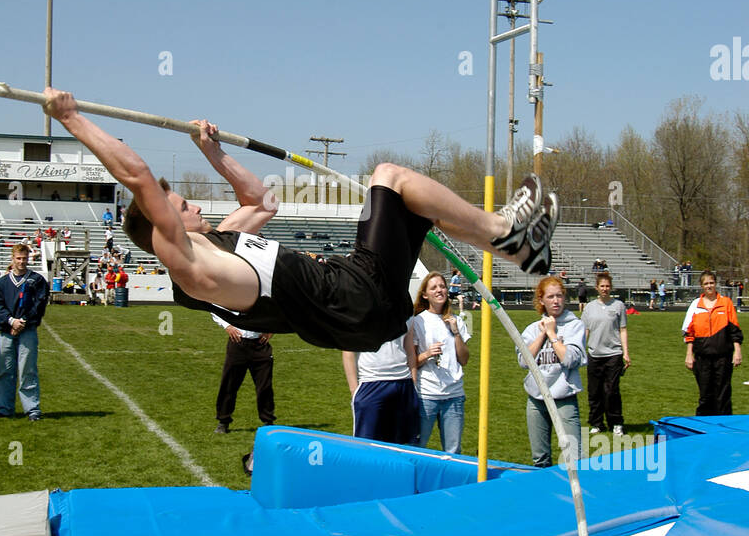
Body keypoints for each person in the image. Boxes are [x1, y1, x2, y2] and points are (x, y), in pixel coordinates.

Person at [43, 89, 559, 354]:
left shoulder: (220, 242)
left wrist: (212, 151)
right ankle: (503, 232)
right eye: (181, 207)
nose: (195, 207)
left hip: (359, 296)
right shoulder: (190, 267)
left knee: (409, 200)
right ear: (162, 231)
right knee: (390, 176)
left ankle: (517, 248)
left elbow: (262, 199)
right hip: (355, 299)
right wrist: (72, 118)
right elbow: (136, 175)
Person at [519, 275, 586, 467]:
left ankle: (575, 495)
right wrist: (542, 334)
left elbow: (570, 359)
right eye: (550, 297)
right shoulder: (532, 329)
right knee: (540, 458)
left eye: (559, 296)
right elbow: (524, 361)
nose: (555, 301)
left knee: (574, 457)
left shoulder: (575, 326)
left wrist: (552, 334)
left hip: (564, 398)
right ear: (541, 300)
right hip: (536, 399)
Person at [410, 272, 470, 453]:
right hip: (427, 395)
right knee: (418, 447)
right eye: (434, 287)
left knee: (453, 450)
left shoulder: (456, 320)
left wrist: (456, 332)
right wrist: (428, 353)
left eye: (442, 286)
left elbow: (464, 359)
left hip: (454, 395)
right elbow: (412, 362)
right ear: (425, 294)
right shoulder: (417, 321)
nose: (440, 290)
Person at [0, 244, 50, 421]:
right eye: (18, 258)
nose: (21, 262)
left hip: (27, 330)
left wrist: (22, 322)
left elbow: (39, 305)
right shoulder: (1, 283)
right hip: (7, 331)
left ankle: (32, 408)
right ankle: (4, 408)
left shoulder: (37, 280)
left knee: (28, 370)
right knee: (4, 370)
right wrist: (11, 321)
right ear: (12, 258)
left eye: (24, 258)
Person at [342, 327, 418, 445]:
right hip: (371, 382)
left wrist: (413, 382)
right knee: (365, 444)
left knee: (398, 444)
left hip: (403, 382)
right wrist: (354, 390)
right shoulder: (359, 311)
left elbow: (410, 350)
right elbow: (348, 351)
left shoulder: (406, 311)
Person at [683, 271, 743, 416]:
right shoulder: (695, 305)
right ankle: (704, 428)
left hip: (723, 356)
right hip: (702, 357)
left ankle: (723, 430)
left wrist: (737, 351)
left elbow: (734, 329)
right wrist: (689, 355)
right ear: (701, 286)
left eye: (711, 283)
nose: (709, 286)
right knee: (705, 394)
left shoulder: (726, 303)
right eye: (706, 283)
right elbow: (689, 333)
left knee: (722, 393)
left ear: (716, 284)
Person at [582, 271, 630, 436]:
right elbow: (585, 331)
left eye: (607, 286)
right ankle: (596, 423)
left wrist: (626, 353)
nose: (605, 289)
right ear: (597, 288)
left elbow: (623, 330)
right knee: (594, 391)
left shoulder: (618, 306)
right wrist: (581, 350)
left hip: (613, 354)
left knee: (611, 391)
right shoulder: (589, 308)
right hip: (594, 355)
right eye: (602, 286)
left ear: (611, 287)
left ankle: (616, 422)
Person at [212, 314, 275, 432]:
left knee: (264, 386)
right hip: (237, 343)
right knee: (229, 384)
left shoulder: (266, 296)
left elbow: (278, 311)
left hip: (261, 345)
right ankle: (223, 421)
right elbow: (215, 307)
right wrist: (227, 326)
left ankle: (268, 421)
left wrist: (271, 330)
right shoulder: (233, 295)